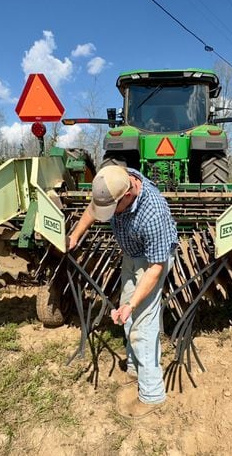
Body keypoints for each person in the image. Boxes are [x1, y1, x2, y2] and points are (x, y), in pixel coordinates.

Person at [67, 164, 177, 418]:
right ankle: (135, 368)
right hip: (131, 255)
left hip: (152, 262)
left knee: (142, 323)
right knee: (128, 317)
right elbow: (93, 209)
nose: (107, 214)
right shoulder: (113, 178)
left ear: (127, 195)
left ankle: (152, 394)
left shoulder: (153, 213)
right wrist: (74, 237)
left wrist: (132, 305)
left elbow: (155, 268)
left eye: (112, 209)